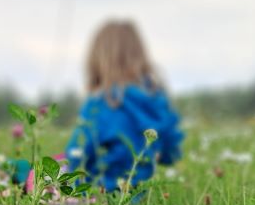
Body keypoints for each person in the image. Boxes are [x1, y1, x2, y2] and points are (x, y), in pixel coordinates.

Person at [65, 20, 183, 192]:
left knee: (34, 174)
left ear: (97, 59)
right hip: (141, 196)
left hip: (99, 195)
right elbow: (171, 154)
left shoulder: (99, 104)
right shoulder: (156, 100)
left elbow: (76, 153)